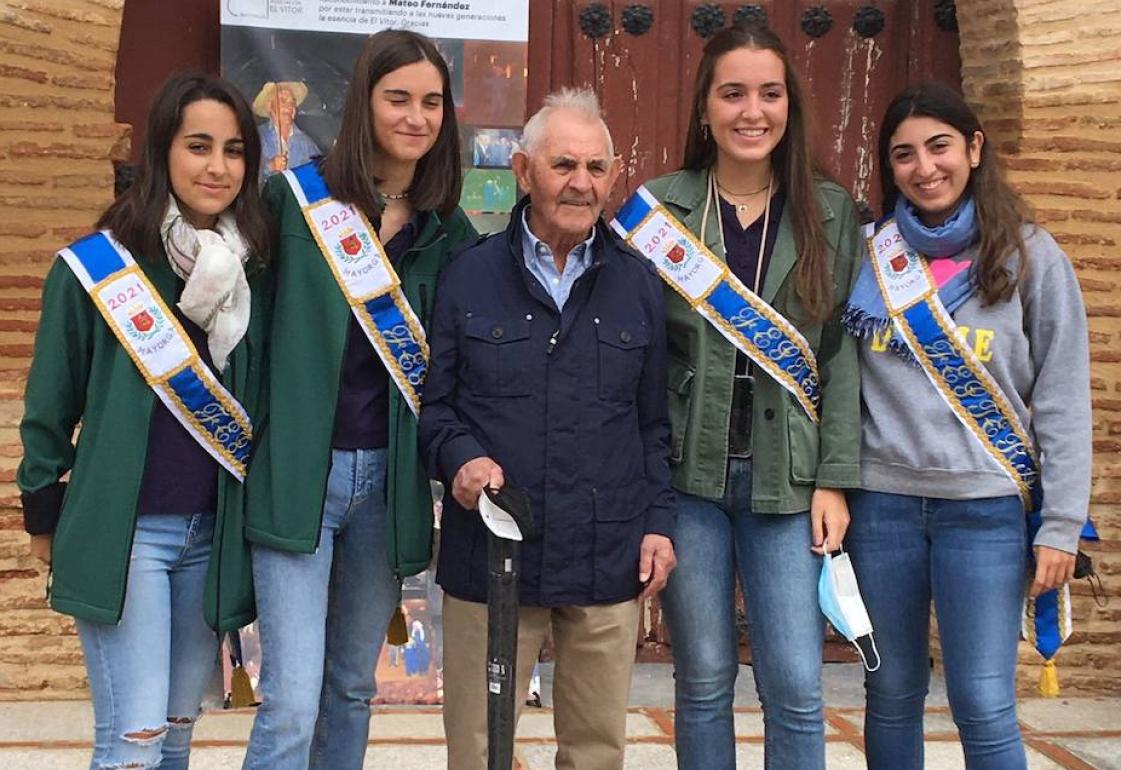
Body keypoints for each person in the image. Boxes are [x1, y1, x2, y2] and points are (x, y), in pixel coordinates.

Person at [624, 21, 863, 770]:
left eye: (769, 93)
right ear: (704, 108)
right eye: (733, 94)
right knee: (701, 680)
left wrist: (835, 476)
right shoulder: (659, 210)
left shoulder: (830, 211)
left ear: (789, 106)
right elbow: (632, 357)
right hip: (685, 480)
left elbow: (840, 356)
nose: (750, 111)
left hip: (787, 482)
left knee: (795, 682)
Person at [17, 72, 271, 770]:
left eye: (234, 150)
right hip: (127, 535)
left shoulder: (250, 269)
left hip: (210, 535)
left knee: (177, 736)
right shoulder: (95, 268)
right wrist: (44, 515)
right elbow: (48, 408)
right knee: (134, 743)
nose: (217, 166)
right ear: (162, 151)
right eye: (198, 146)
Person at [419, 87, 677, 770]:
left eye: (596, 168)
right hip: (493, 561)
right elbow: (432, 409)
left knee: (596, 752)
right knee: (478, 751)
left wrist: (658, 523)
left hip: (606, 555)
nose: (581, 183)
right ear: (523, 171)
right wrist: (461, 459)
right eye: (564, 165)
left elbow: (654, 425)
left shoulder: (640, 284)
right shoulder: (466, 277)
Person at [241, 29, 475, 770]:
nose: (416, 116)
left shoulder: (452, 231)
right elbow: (241, 334)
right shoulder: (295, 203)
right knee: (289, 699)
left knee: (349, 688)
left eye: (432, 102)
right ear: (363, 104)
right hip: (298, 477)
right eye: (398, 98)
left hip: (388, 484)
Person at [841, 82, 1092, 770]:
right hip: (883, 506)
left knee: (982, 700)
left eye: (940, 146)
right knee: (890, 689)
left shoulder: (1032, 256)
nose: (925, 167)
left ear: (975, 148)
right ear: (888, 168)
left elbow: (1066, 397)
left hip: (984, 513)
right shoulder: (867, 256)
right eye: (904, 155)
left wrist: (1062, 523)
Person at [253, 80, 322, 180]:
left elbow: (320, 176)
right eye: (283, 100)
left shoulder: (306, 143)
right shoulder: (257, 137)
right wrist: (270, 167)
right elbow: (245, 175)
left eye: (292, 102)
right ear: (269, 106)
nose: (290, 106)